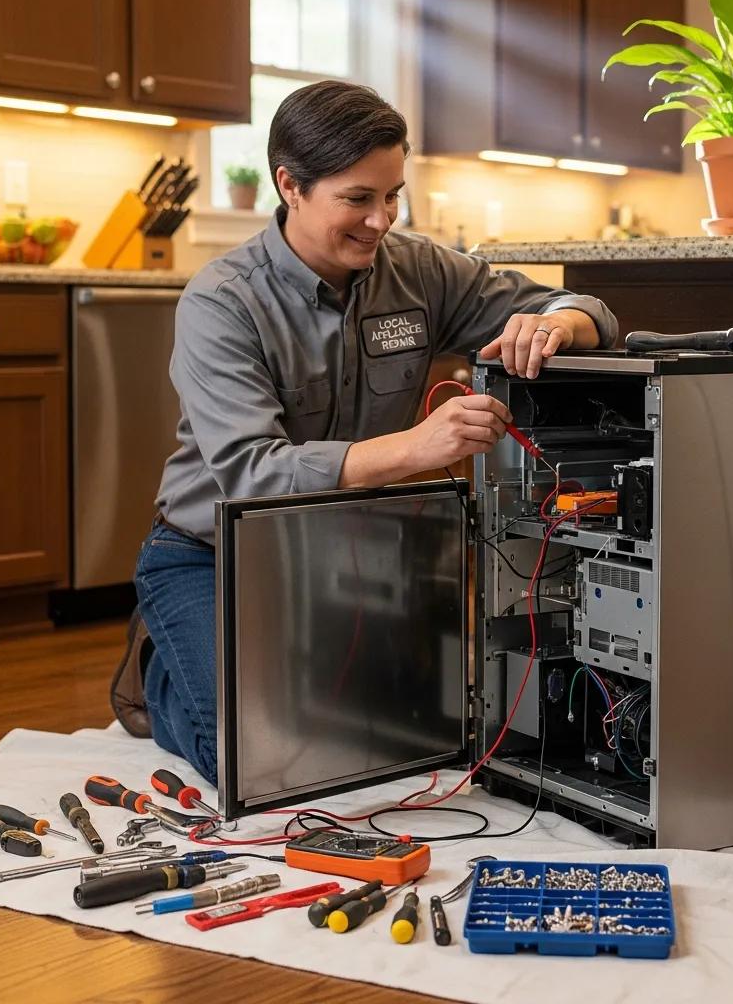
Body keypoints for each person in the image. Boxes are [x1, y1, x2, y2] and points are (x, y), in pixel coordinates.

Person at [114, 80, 618, 786]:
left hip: (349, 559)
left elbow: (576, 305)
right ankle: (162, 667)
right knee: (248, 757)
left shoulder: (419, 271)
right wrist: (419, 446)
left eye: (393, 196)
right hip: (212, 555)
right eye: (359, 198)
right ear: (290, 185)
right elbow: (254, 473)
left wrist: (557, 324)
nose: (382, 220)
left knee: (417, 732)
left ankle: (279, 675)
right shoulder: (221, 303)